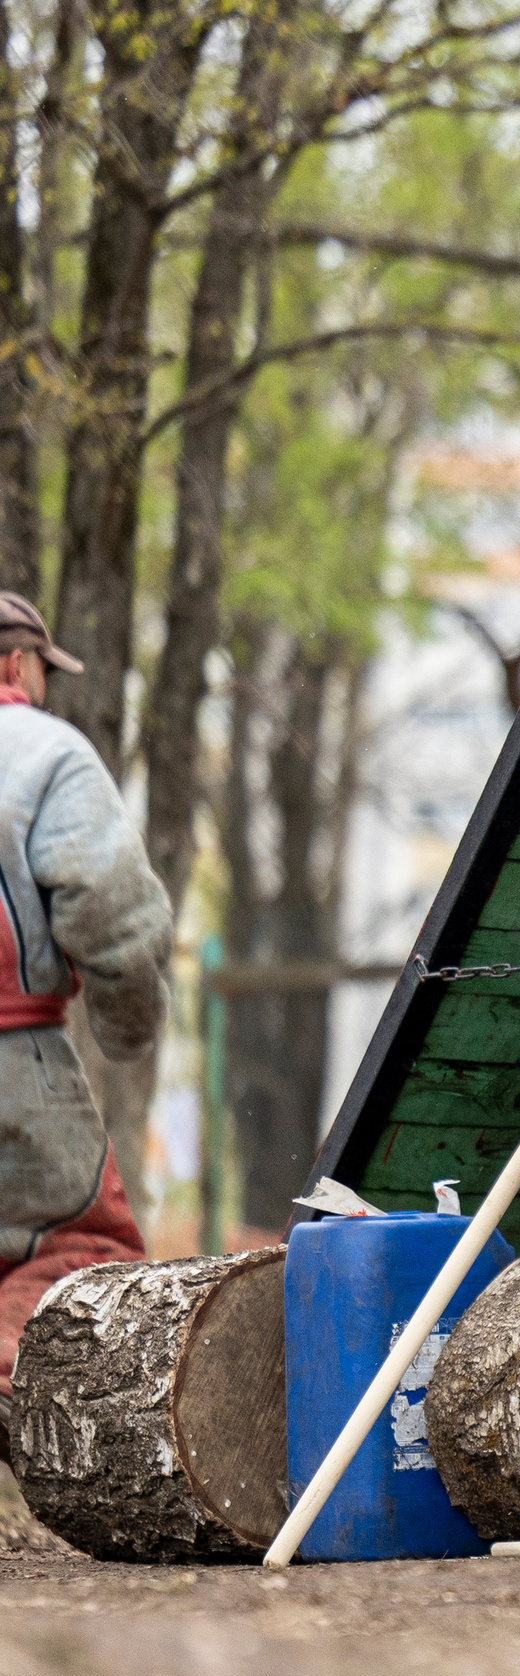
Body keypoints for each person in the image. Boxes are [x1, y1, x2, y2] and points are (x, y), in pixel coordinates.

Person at [0, 591, 167, 1461]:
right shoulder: (42, 754)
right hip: (14, 1055)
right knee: (79, 1247)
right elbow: (111, 914)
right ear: (15, 665)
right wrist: (128, 1030)